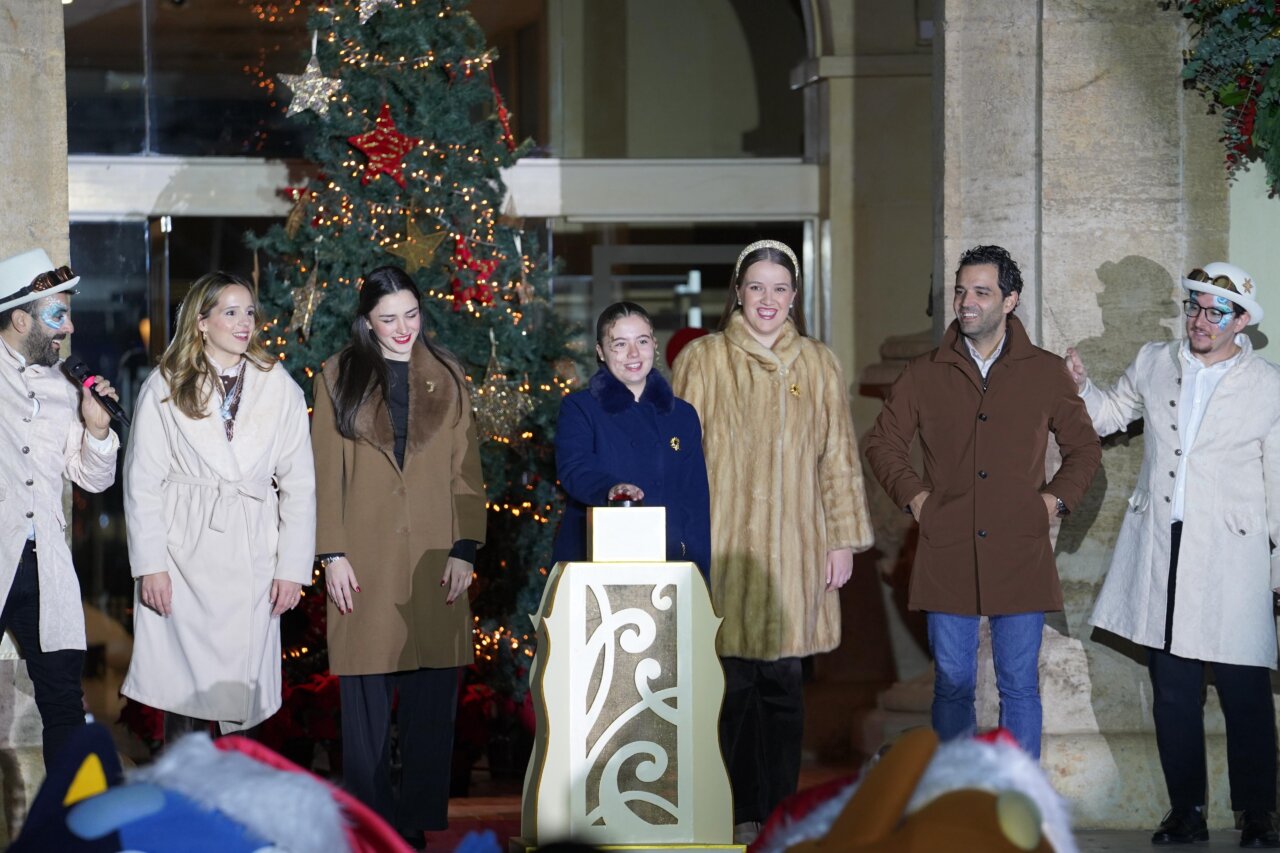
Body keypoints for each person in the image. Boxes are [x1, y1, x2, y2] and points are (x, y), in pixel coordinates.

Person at [1067, 262, 1280, 848]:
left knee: (1245, 691)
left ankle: (1258, 814)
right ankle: (1185, 811)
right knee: (1174, 691)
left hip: (1233, 557)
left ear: (1241, 322)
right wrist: (1080, 387)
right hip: (1162, 545)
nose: (1200, 320)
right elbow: (1108, 416)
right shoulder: (1155, 362)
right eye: (1194, 307)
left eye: (1215, 312)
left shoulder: (1269, 386)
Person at [863, 245, 1101, 761]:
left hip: (1021, 550)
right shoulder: (924, 372)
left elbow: (1084, 449)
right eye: (960, 291)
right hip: (946, 549)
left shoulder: (1044, 372)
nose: (966, 302)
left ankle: (1020, 812)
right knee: (951, 686)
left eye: (981, 292)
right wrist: (917, 498)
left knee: (1019, 686)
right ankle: (956, 802)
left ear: (1010, 300)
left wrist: (1053, 503)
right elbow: (881, 443)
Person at [672, 239, 874, 844]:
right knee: (729, 688)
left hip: (798, 548)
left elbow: (838, 457)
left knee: (785, 687)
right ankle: (733, 814)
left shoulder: (818, 363)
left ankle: (779, 815)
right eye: (756, 287)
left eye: (780, 289)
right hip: (723, 549)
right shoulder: (703, 360)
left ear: (794, 297)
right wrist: (682, 545)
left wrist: (842, 540)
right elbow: (681, 462)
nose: (767, 300)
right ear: (738, 291)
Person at [311, 265, 486, 850]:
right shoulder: (336, 375)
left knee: (431, 706)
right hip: (364, 558)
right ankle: (370, 830)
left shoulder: (450, 375)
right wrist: (331, 552)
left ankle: (413, 831)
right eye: (389, 318)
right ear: (367, 322)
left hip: (437, 556)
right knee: (364, 713)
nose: (403, 327)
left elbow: (466, 470)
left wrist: (466, 548)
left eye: (411, 314)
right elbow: (324, 473)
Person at [121, 271, 315, 741]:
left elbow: (300, 485)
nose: (244, 322)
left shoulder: (279, 386)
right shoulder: (165, 386)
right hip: (182, 553)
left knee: (242, 699)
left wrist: (292, 568)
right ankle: (180, 806)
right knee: (182, 694)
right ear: (202, 322)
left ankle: (235, 803)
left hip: (252, 553)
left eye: (249, 311)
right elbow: (142, 481)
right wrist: (150, 566)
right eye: (230, 312)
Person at [0, 248, 119, 766]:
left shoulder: (65, 388)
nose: (67, 328)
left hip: (43, 562)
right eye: (56, 315)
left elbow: (93, 479)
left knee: (64, 703)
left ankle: (70, 835)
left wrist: (97, 429)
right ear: (20, 317)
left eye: (68, 314)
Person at [552, 301, 710, 578]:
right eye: (620, 344)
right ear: (601, 351)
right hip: (597, 564)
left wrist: (700, 575)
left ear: (654, 345)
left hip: (670, 564)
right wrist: (612, 489)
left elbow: (694, 502)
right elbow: (575, 469)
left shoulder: (683, 415)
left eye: (642, 341)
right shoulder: (580, 408)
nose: (633, 353)